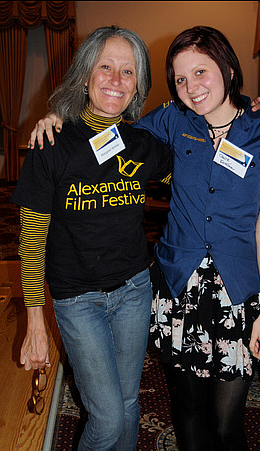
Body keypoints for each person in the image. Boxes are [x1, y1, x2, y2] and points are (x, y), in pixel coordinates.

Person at [27, 26, 260, 451]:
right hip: (174, 286)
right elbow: (107, 122)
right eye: (181, 79)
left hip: (232, 291)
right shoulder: (172, 120)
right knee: (175, 410)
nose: (192, 88)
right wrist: (60, 115)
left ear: (228, 66)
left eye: (201, 71)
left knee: (224, 424)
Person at [11, 26, 172, 451]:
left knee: (129, 403)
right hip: (78, 298)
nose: (116, 80)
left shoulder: (141, 145)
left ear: (138, 84)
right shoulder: (52, 144)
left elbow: (191, 171)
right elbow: (31, 241)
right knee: (105, 418)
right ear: (85, 75)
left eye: (128, 71)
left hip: (135, 290)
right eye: (105, 67)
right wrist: (35, 322)